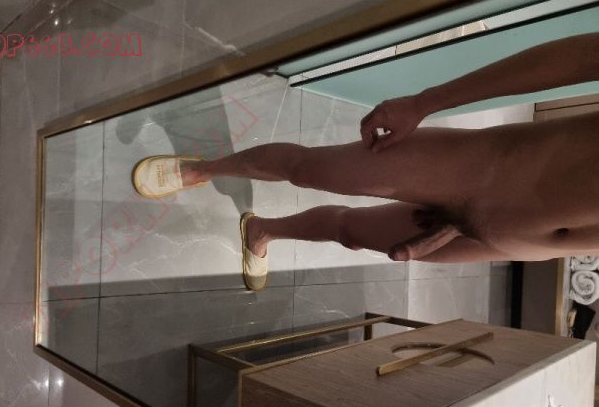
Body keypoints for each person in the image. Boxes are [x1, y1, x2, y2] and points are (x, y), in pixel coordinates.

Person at [132, 32, 599, 291]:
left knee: (350, 233)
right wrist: (427, 101)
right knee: (307, 169)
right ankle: (202, 169)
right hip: (482, 169)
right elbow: (582, 58)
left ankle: (263, 231)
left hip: (514, 241)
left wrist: (489, 230)